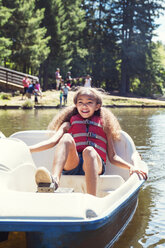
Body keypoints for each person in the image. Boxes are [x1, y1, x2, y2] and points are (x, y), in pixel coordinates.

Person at [29, 87, 147, 196]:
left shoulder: (105, 126)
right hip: (73, 164)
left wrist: (131, 167)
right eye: (80, 102)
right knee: (66, 138)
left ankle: (91, 199)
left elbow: (113, 157)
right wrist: (28, 149)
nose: (84, 106)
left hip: (95, 163)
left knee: (89, 151)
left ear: (97, 106)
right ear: (76, 105)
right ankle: (54, 181)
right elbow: (52, 142)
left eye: (89, 102)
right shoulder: (68, 124)